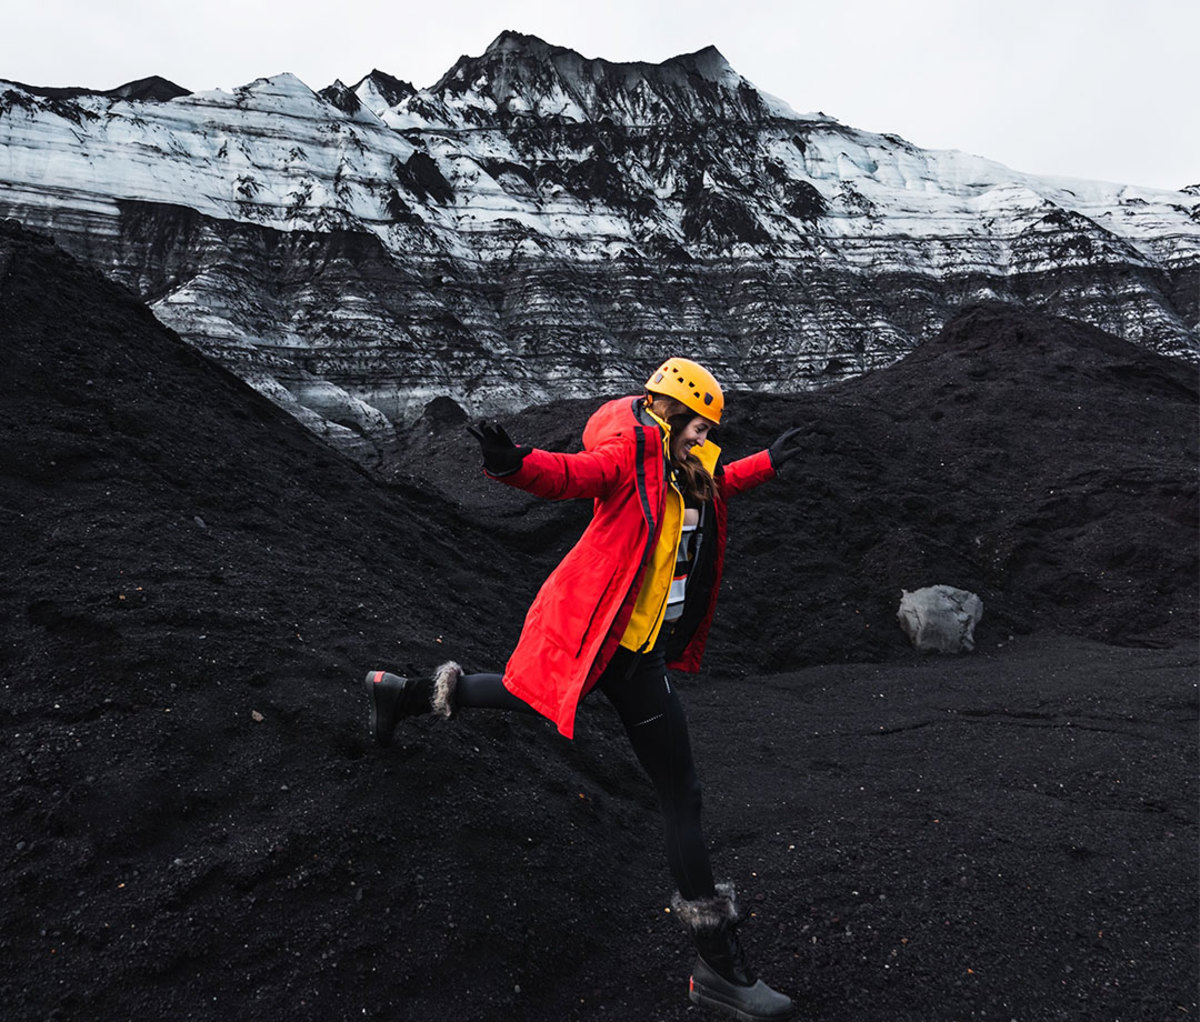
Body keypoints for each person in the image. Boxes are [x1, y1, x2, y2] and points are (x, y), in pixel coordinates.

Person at [363, 357, 803, 1021]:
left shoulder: (683, 462)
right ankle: (720, 966)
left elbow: (713, 484)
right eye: (699, 425)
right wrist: (513, 464)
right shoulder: (629, 450)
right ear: (667, 410)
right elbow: (574, 476)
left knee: (674, 789)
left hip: (637, 659)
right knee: (542, 706)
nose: (703, 437)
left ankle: (401, 694)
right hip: (592, 638)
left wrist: (767, 462)